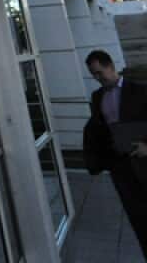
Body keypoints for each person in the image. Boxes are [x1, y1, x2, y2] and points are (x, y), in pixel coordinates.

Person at [84, 49, 147, 255]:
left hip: (144, 162)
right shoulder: (97, 97)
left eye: (100, 73)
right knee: (138, 219)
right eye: (94, 75)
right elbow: (98, 129)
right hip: (120, 168)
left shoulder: (140, 90)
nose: (97, 78)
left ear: (111, 66)